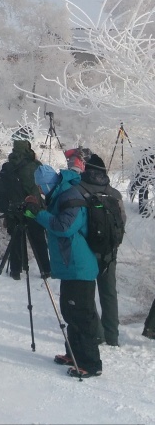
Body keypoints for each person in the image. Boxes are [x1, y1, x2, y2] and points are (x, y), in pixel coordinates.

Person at [24, 148, 102, 378]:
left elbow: (64, 227)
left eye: (40, 188)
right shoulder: (61, 194)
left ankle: (91, 363)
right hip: (70, 267)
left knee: (82, 316)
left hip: (79, 267)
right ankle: (74, 354)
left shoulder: (69, 195)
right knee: (70, 312)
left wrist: (38, 214)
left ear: (46, 185)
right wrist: (37, 211)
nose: (40, 192)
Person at [79, 151, 125, 346]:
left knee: (87, 294)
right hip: (109, 251)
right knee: (109, 293)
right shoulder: (114, 193)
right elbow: (122, 221)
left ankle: (97, 333)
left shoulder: (79, 189)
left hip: (87, 251)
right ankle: (112, 336)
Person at [0, 136, 51, 279]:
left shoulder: (9, 165)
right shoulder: (34, 166)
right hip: (31, 210)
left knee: (16, 240)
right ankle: (45, 270)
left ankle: (15, 270)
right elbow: (36, 189)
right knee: (38, 240)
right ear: (28, 149)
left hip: (13, 211)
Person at [131, 149, 155, 216]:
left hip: (144, 169)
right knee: (143, 187)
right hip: (145, 168)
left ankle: (143, 209)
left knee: (143, 188)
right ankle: (143, 209)